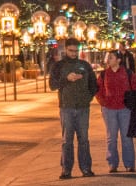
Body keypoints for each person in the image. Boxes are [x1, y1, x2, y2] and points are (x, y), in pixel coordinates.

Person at [49, 38, 97, 179]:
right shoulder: (59, 66)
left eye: (76, 51)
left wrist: (88, 97)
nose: (74, 53)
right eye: (71, 51)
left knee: (84, 139)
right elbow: (52, 85)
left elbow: (93, 84)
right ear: (66, 49)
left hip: (83, 107)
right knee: (67, 140)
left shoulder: (85, 65)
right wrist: (66, 79)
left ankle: (86, 168)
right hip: (67, 108)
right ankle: (66, 170)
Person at [95, 48, 136, 173]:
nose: (108, 60)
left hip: (125, 109)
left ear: (119, 60)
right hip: (109, 110)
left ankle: (129, 164)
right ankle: (112, 163)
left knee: (126, 137)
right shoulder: (104, 74)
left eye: (111, 57)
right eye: (108, 57)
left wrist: (132, 103)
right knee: (111, 137)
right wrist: (103, 102)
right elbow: (98, 90)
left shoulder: (128, 73)